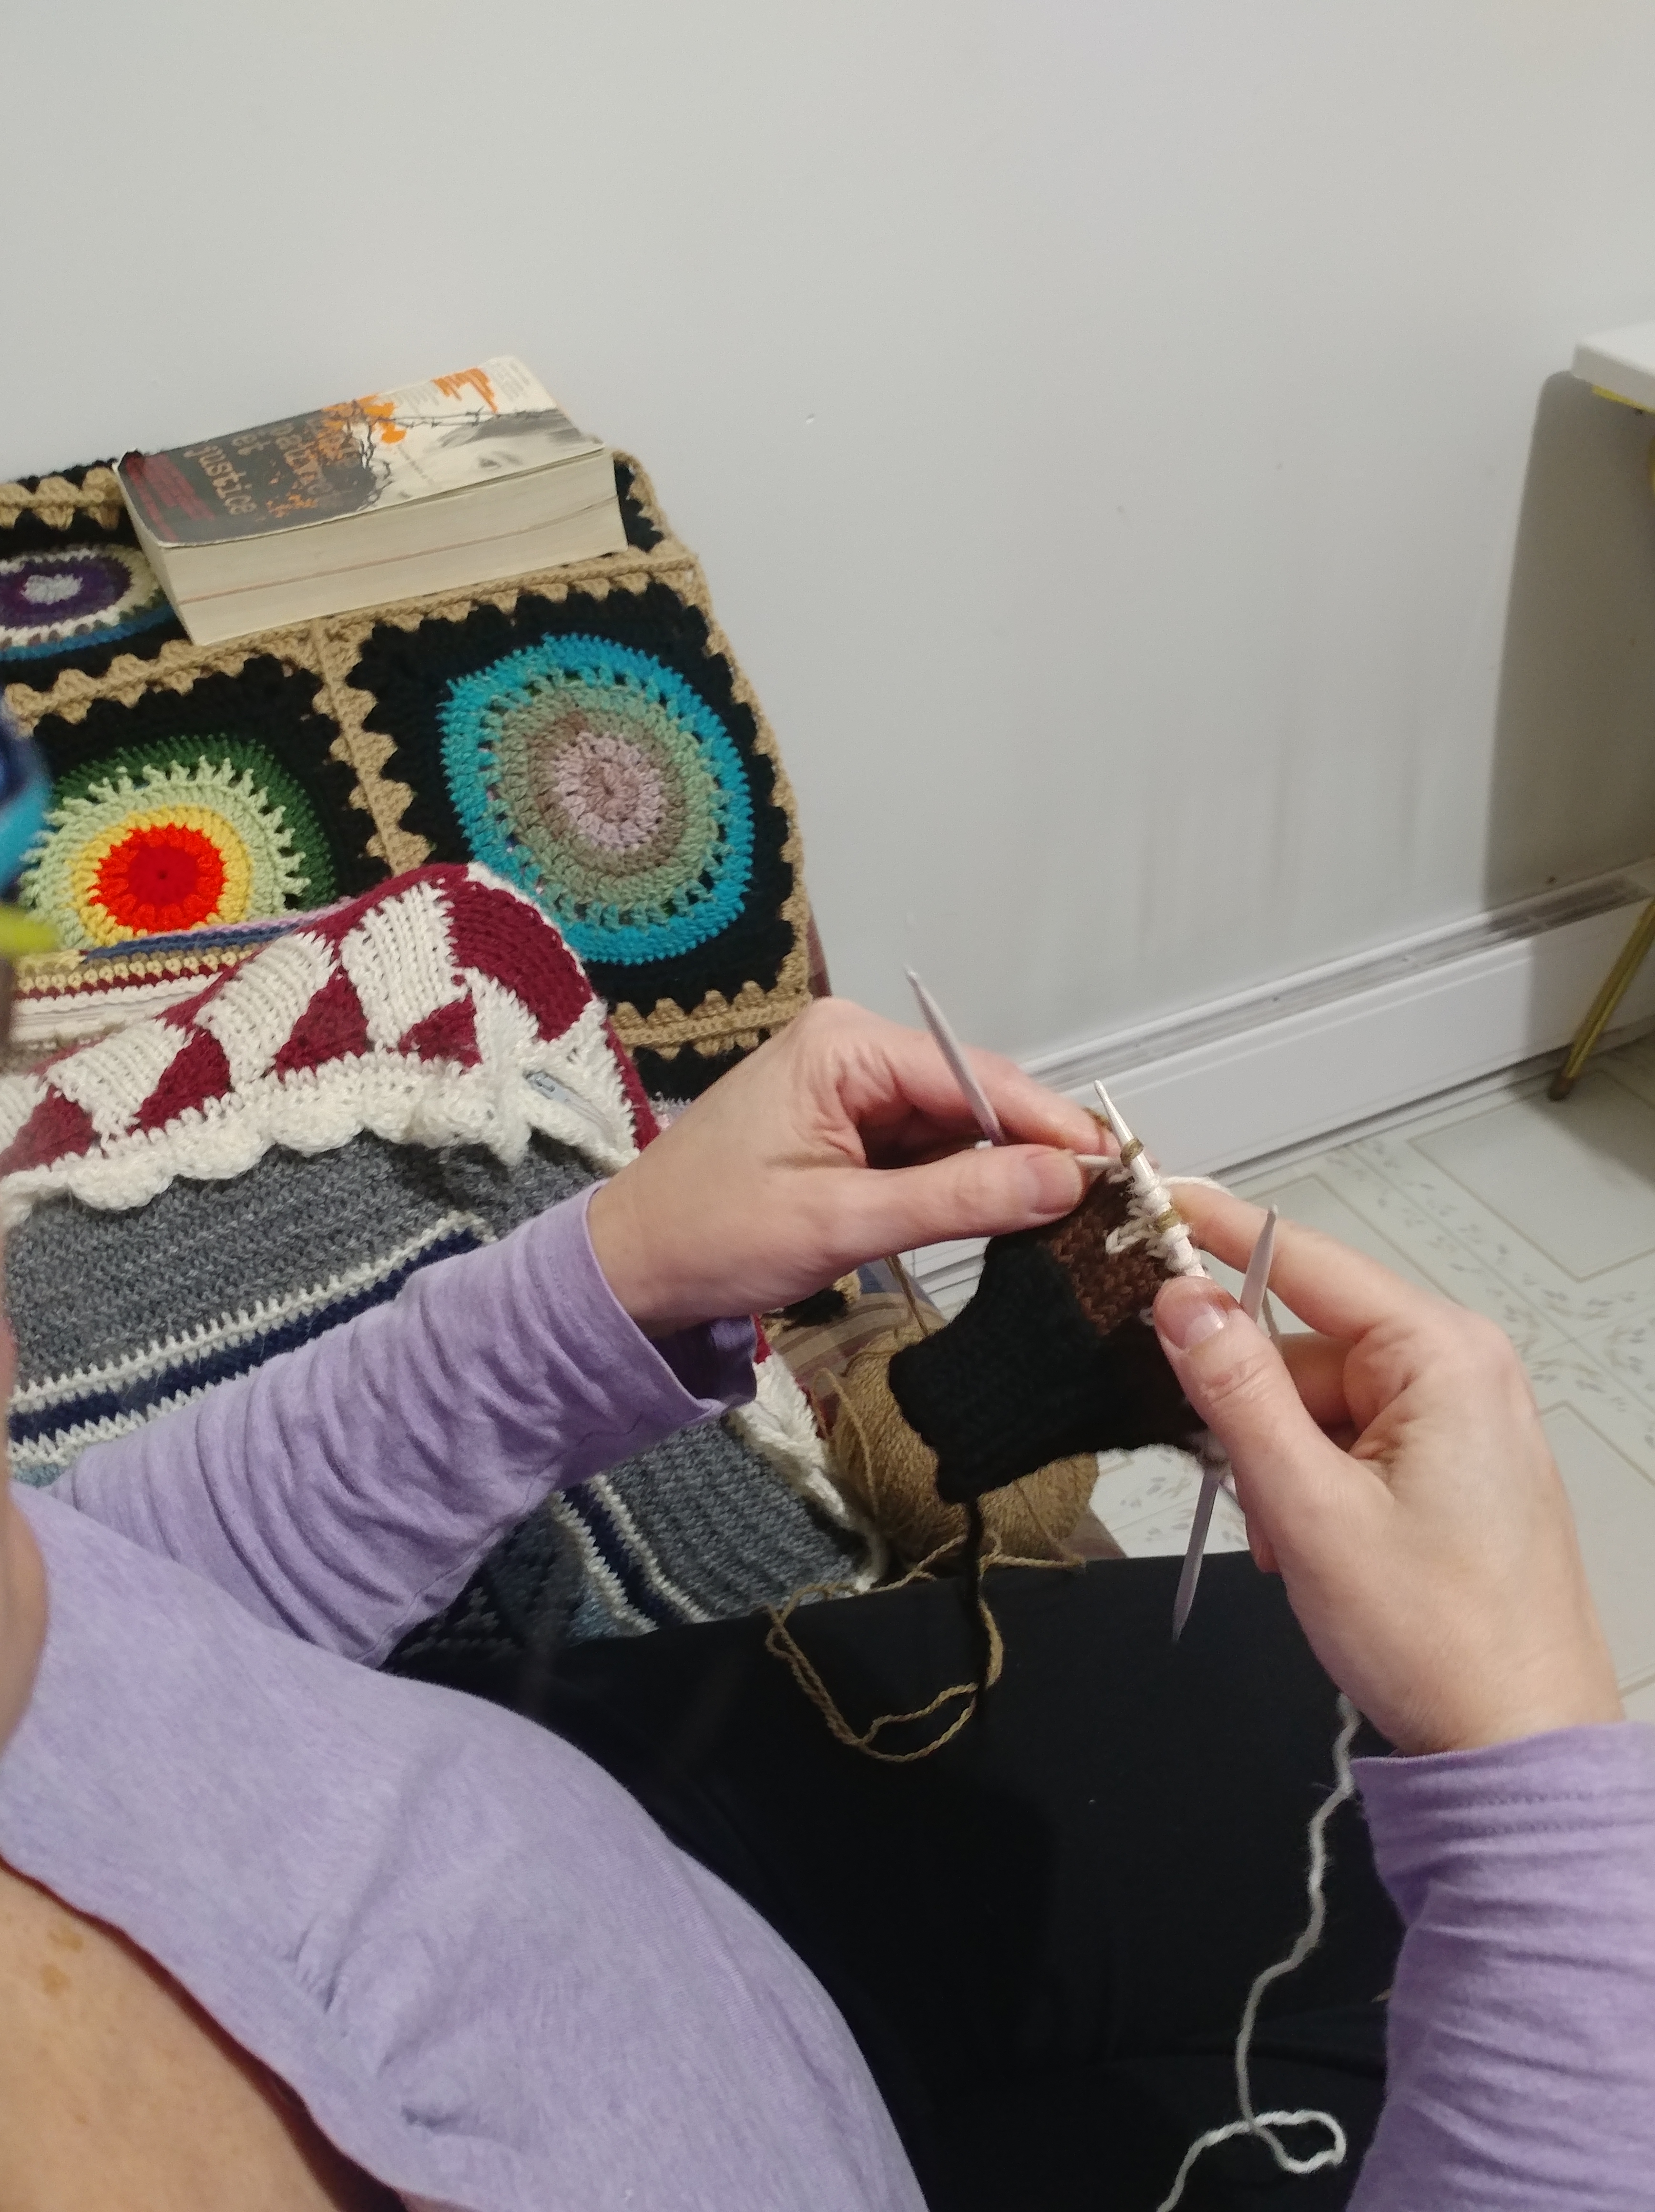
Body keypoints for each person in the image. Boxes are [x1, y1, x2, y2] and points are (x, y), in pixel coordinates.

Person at [0, 994, 1648, 2212]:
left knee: (1293, 1693)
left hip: (635, 1862)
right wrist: (1536, 1772)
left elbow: (124, 1626)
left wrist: (616, 1273)